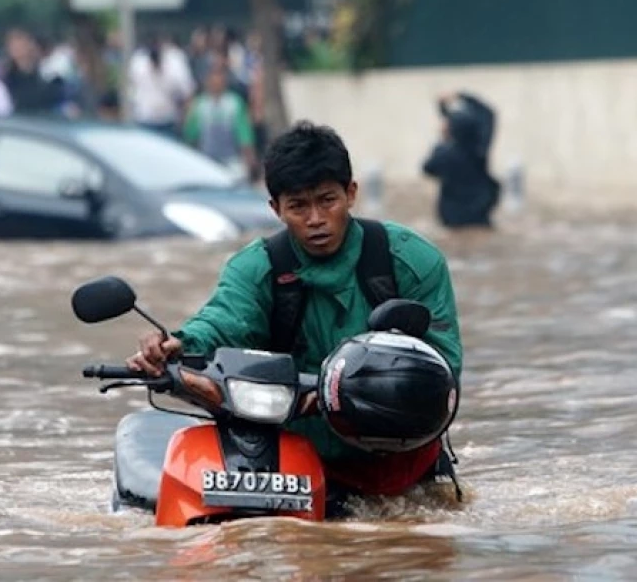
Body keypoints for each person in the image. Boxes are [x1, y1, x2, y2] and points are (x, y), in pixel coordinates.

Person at [127, 122, 463, 498]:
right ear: (276, 209)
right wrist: (179, 344)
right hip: (297, 465)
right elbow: (224, 319)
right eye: (298, 206)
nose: (315, 219)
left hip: (405, 464)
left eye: (327, 200)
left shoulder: (412, 260)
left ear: (351, 194)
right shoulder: (256, 268)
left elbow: (445, 366)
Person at [422, 92, 501, 228]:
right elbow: (488, 114)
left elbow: (427, 169)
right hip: (480, 214)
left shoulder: (444, 153)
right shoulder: (479, 150)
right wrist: (461, 96)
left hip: (453, 217)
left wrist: (442, 141)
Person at [183, 63, 256, 181]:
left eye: (219, 79)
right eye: (212, 79)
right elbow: (191, 135)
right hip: (206, 161)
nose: (216, 83)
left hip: (232, 161)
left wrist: (249, 158)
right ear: (207, 81)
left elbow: (244, 135)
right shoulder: (199, 105)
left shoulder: (234, 103)